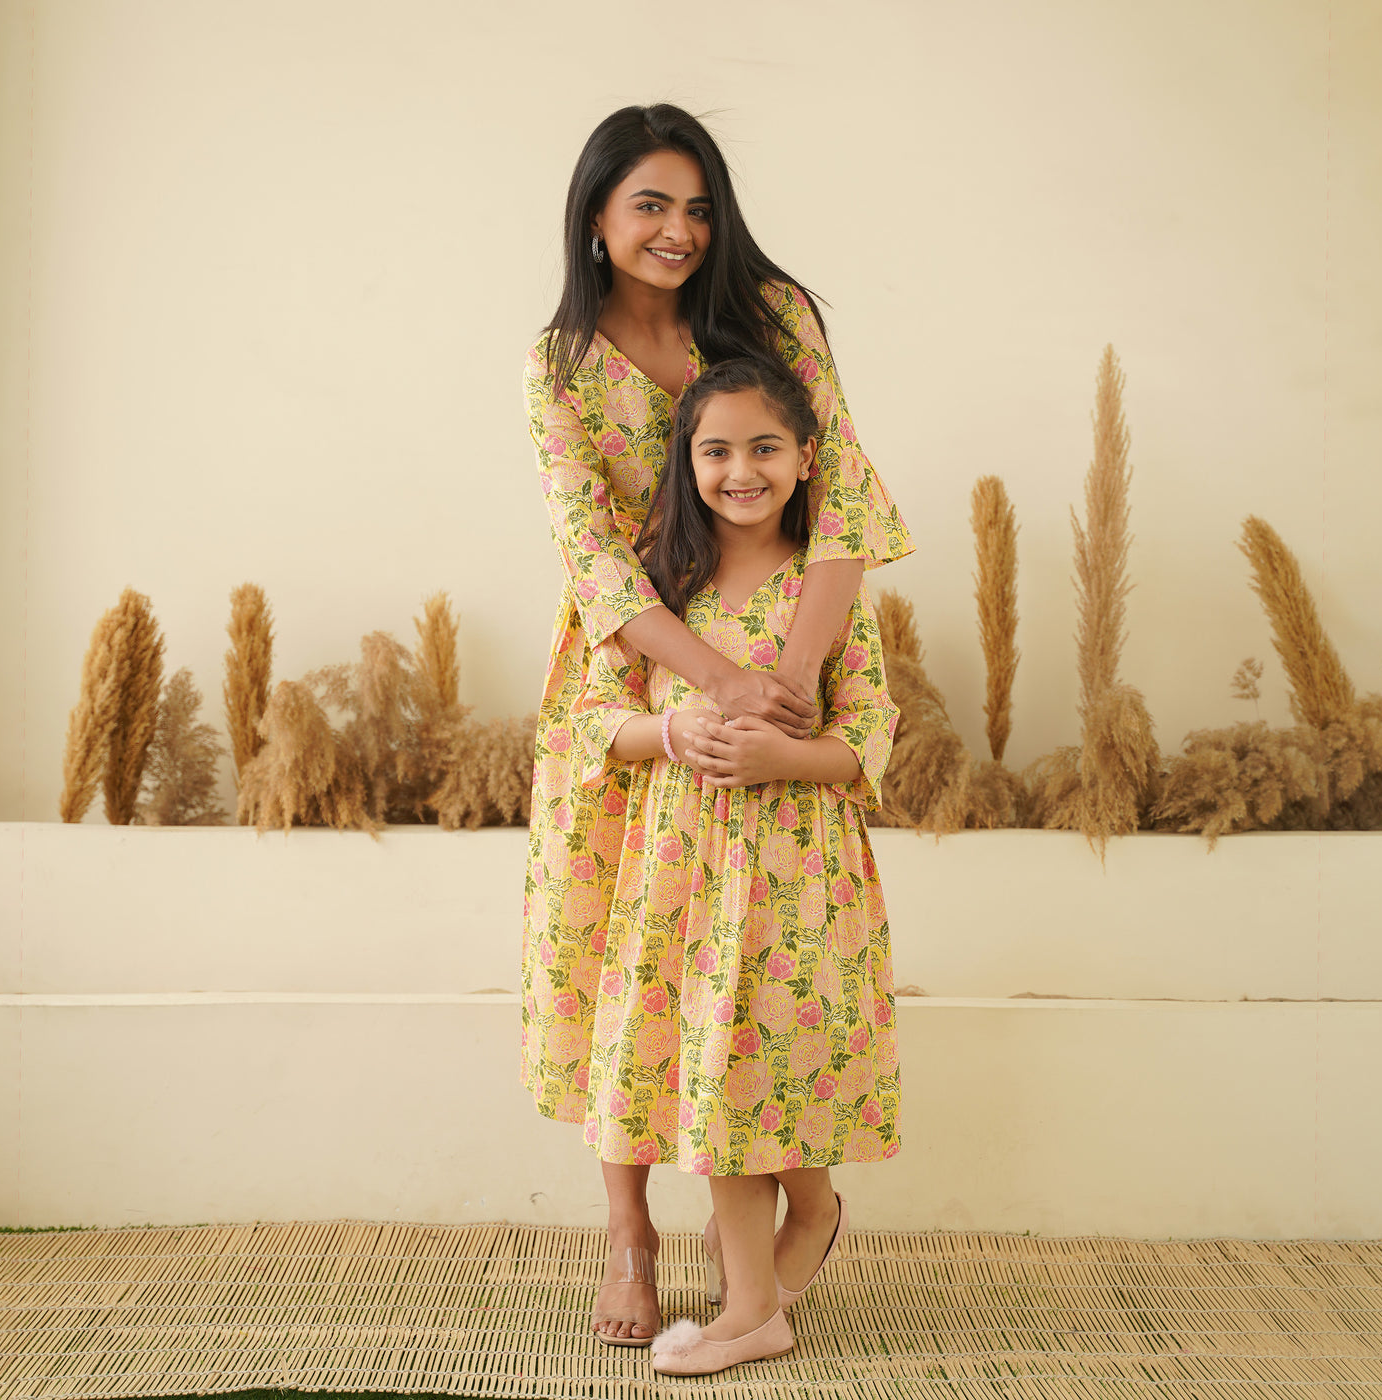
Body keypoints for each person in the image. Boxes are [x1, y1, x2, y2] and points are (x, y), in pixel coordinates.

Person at [521, 102, 913, 1345]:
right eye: (649, 204)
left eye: (697, 205)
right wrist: (700, 686)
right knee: (618, 954)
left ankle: (769, 1215)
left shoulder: (773, 314)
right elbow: (590, 553)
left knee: (742, 968)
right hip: (635, 662)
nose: (679, 230)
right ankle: (629, 1231)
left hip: (777, 645)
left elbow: (843, 491)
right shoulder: (557, 363)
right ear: (594, 215)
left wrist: (783, 682)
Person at [571, 356, 901, 1375]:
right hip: (685, 878)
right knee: (720, 1071)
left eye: (764, 447)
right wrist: (670, 730)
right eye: (715, 448)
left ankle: (756, 1300)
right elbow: (585, 722)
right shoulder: (657, 591)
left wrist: (781, 757)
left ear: (807, 459)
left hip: (801, 877)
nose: (740, 469)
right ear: (686, 458)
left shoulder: (825, 591)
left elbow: (867, 736)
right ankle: (772, 1271)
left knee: (762, 1063)